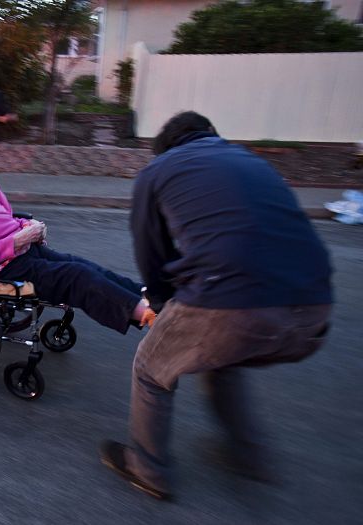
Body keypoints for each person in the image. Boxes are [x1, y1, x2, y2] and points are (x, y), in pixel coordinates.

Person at [99, 111, 333, 500]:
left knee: (151, 368)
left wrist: (161, 307)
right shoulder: (252, 161)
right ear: (210, 135)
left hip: (232, 302)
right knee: (221, 358)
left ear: (163, 150)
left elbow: (151, 253)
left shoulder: (157, 171)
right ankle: (249, 455)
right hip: (313, 310)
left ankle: (148, 469)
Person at [0, 125, 155, 333]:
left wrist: (28, 226)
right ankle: (148, 315)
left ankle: (150, 296)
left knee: (82, 265)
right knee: (77, 277)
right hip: (2, 269)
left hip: (21, 253)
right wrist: (18, 240)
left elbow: (1, 220)